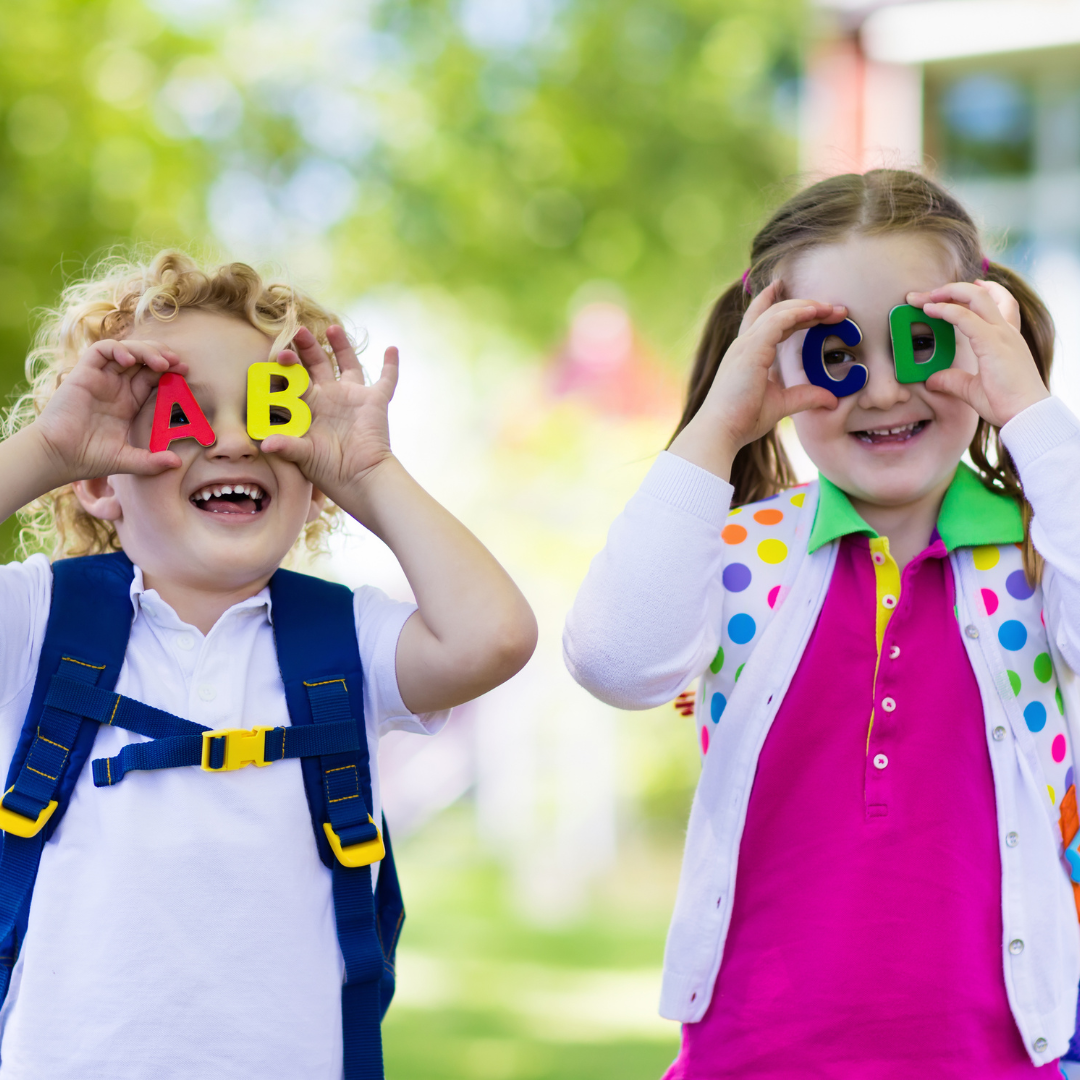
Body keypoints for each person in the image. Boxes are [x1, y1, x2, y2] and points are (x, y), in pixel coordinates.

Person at [563, 169, 1080, 1077]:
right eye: (835, 353)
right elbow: (614, 661)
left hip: (1000, 1056)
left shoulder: (1042, 554)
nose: (880, 392)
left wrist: (1031, 412)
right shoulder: (738, 552)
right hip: (752, 1054)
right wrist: (718, 427)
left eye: (922, 343)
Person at [0, 251, 537, 1078]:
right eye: (180, 413)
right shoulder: (38, 623)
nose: (234, 440)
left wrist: (368, 472)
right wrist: (48, 448)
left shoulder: (343, 638)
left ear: (311, 480)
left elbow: (493, 636)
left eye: (269, 410)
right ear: (100, 481)